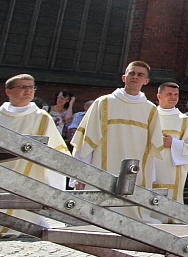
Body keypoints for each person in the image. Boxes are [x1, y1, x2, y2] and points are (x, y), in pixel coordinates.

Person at [0, 74, 71, 238]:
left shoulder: (41, 118)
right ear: (8, 91)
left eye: (31, 87)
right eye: (23, 87)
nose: (28, 91)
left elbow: (56, 154)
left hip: (28, 178)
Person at [70, 61, 166, 221]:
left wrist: (150, 177)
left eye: (140, 75)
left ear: (146, 81)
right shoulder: (103, 103)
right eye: (132, 73)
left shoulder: (150, 110)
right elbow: (87, 142)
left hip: (137, 170)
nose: (135, 77)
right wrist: (79, 175)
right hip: (103, 166)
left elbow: (153, 148)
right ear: (124, 77)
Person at [150, 82, 188, 217]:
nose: (173, 98)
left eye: (176, 95)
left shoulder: (184, 121)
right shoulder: (149, 117)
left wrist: (174, 143)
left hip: (172, 170)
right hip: (150, 166)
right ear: (159, 96)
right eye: (169, 94)